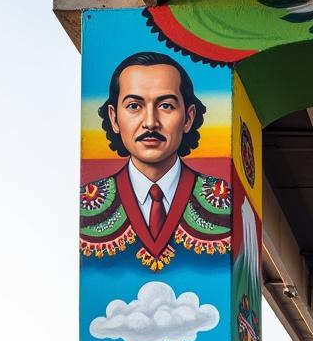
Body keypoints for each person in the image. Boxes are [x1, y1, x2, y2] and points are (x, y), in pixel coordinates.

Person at [82, 52, 231, 270]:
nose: (150, 123)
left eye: (166, 106)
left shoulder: (224, 200)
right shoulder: (88, 203)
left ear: (188, 117)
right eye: (134, 106)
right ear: (114, 118)